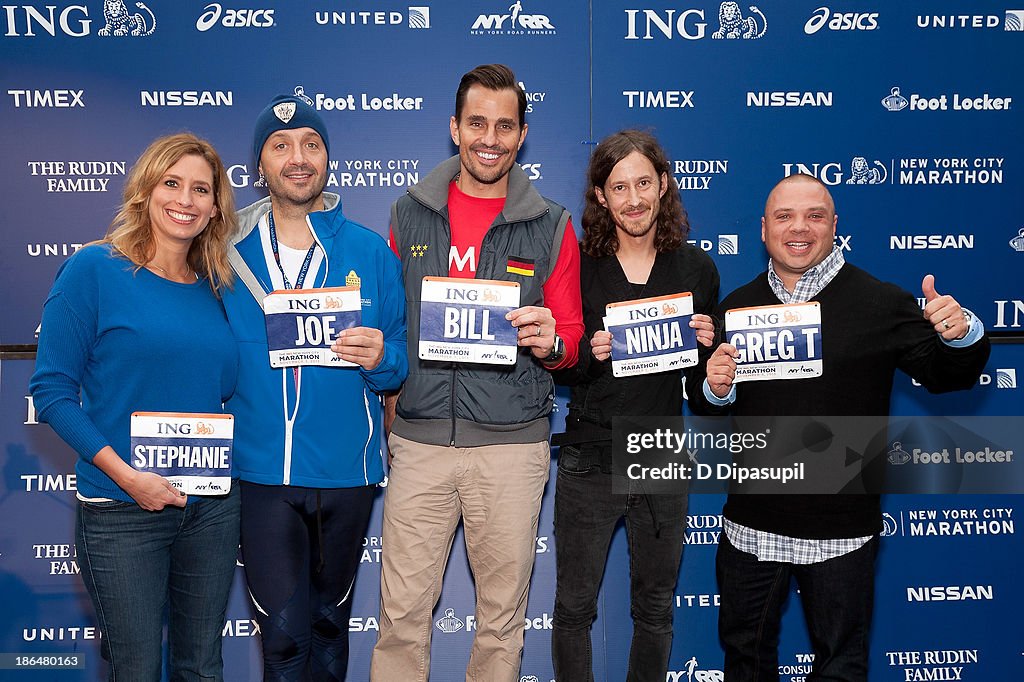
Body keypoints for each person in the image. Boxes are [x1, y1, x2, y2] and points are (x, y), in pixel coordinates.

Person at [692, 173, 990, 680]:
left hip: (842, 533)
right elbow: (714, 405)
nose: (798, 228)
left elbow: (945, 376)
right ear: (764, 230)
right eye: (784, 217)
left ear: (835, 226)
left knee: (841, 667)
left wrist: (962, 335)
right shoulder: (737, 306)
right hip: (751, 529)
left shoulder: (881, 302)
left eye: (814, 215)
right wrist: (717, 387)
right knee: (744, 660)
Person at [371, 64, 584, 682]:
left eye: (504, 126)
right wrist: (393, 402)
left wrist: (553, 342)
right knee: (402, 616)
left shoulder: (551, 223)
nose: (489, 138)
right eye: (477, 123)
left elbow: (568, 337)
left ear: (521, 136)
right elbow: (391, 324)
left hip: (512, 449)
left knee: (499, 623)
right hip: (419, 442)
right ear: (454, 129)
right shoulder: (408, 213)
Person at [30, 133, 240, 680]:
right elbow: (51, 392)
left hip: (211, 509)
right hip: (122, 508)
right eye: (172, 183)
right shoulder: (94, 271)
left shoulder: (219, 288)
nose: (186, 200)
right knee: (138, 668)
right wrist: (128, 477)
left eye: (201, 189)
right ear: (145, 190)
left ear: (216, 206)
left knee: (202, 667)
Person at [222, 94, 407, 680]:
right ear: (260, 165)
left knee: (330, 629)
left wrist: (381, 358)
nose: (297, 157)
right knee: (280, 642)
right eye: (281, 146)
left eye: (311, 144)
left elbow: (400, 363)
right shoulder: (224, 256)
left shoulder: (369, 252)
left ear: (328, 157)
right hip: (260, 476)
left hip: (345, 476)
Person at [549, 130, 719, 682]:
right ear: (601, 196)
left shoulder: (697, 269)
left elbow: (702, 386)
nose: (634, 198)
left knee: (654, 608)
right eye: (618, 187)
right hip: (589, 456)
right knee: (574, 610)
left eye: (644, 182)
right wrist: (587, 356)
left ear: (664, 185)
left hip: (663, 454)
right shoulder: (580, 265)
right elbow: (562, 365)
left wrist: (709, 352)